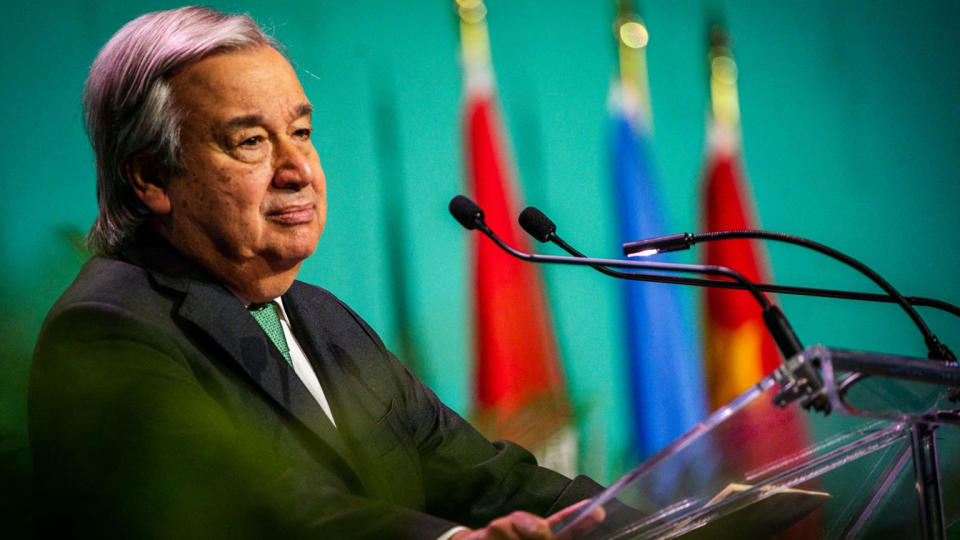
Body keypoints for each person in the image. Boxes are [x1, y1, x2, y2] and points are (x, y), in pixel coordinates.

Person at [29, 6, 605, 539]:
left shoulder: (324, 317)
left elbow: (483, 478)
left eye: (301, 132)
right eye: (251, 141)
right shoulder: (107, 330)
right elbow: (259, 514)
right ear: (151, 178)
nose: (299, 169)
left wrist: (641, 516)